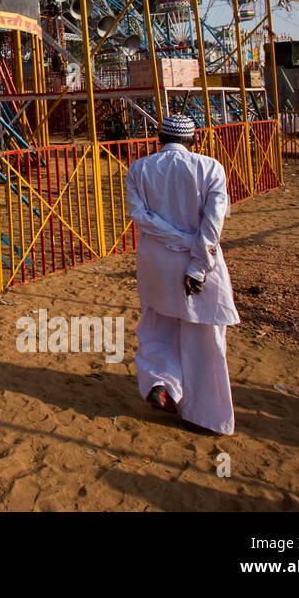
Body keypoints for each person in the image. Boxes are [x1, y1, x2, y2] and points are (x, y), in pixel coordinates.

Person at [124, 114, 238, 435]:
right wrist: (196, 262)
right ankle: (205, 415)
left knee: (157, 327)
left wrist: (177, 240)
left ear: (158, 137)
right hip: (198, 264)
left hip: (156, 266)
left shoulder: (138, 170)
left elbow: (142, 218)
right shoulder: (211, 168)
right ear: (194, 141)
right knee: (205, 338)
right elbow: (212, 226)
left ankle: (161, 382)